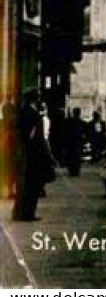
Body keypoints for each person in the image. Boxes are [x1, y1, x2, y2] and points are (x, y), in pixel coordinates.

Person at [12, 91, 52, 221]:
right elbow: (37, 138)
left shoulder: (22, 113)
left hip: (26, 153)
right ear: (35, 100)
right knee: (32, 186)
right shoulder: (33, 115)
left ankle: (21, 212)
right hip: (33, 155)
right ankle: (28, 213)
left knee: (24, 185)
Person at [63, 107, 85, 177]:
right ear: (79, 113)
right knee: (77, 158)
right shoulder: (82, 123)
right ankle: (76, 171)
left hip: (71, 143)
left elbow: (65, 132)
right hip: (78, 142)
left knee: (71, 157)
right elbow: (84, 133)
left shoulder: (69, 121)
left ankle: (72, 171)